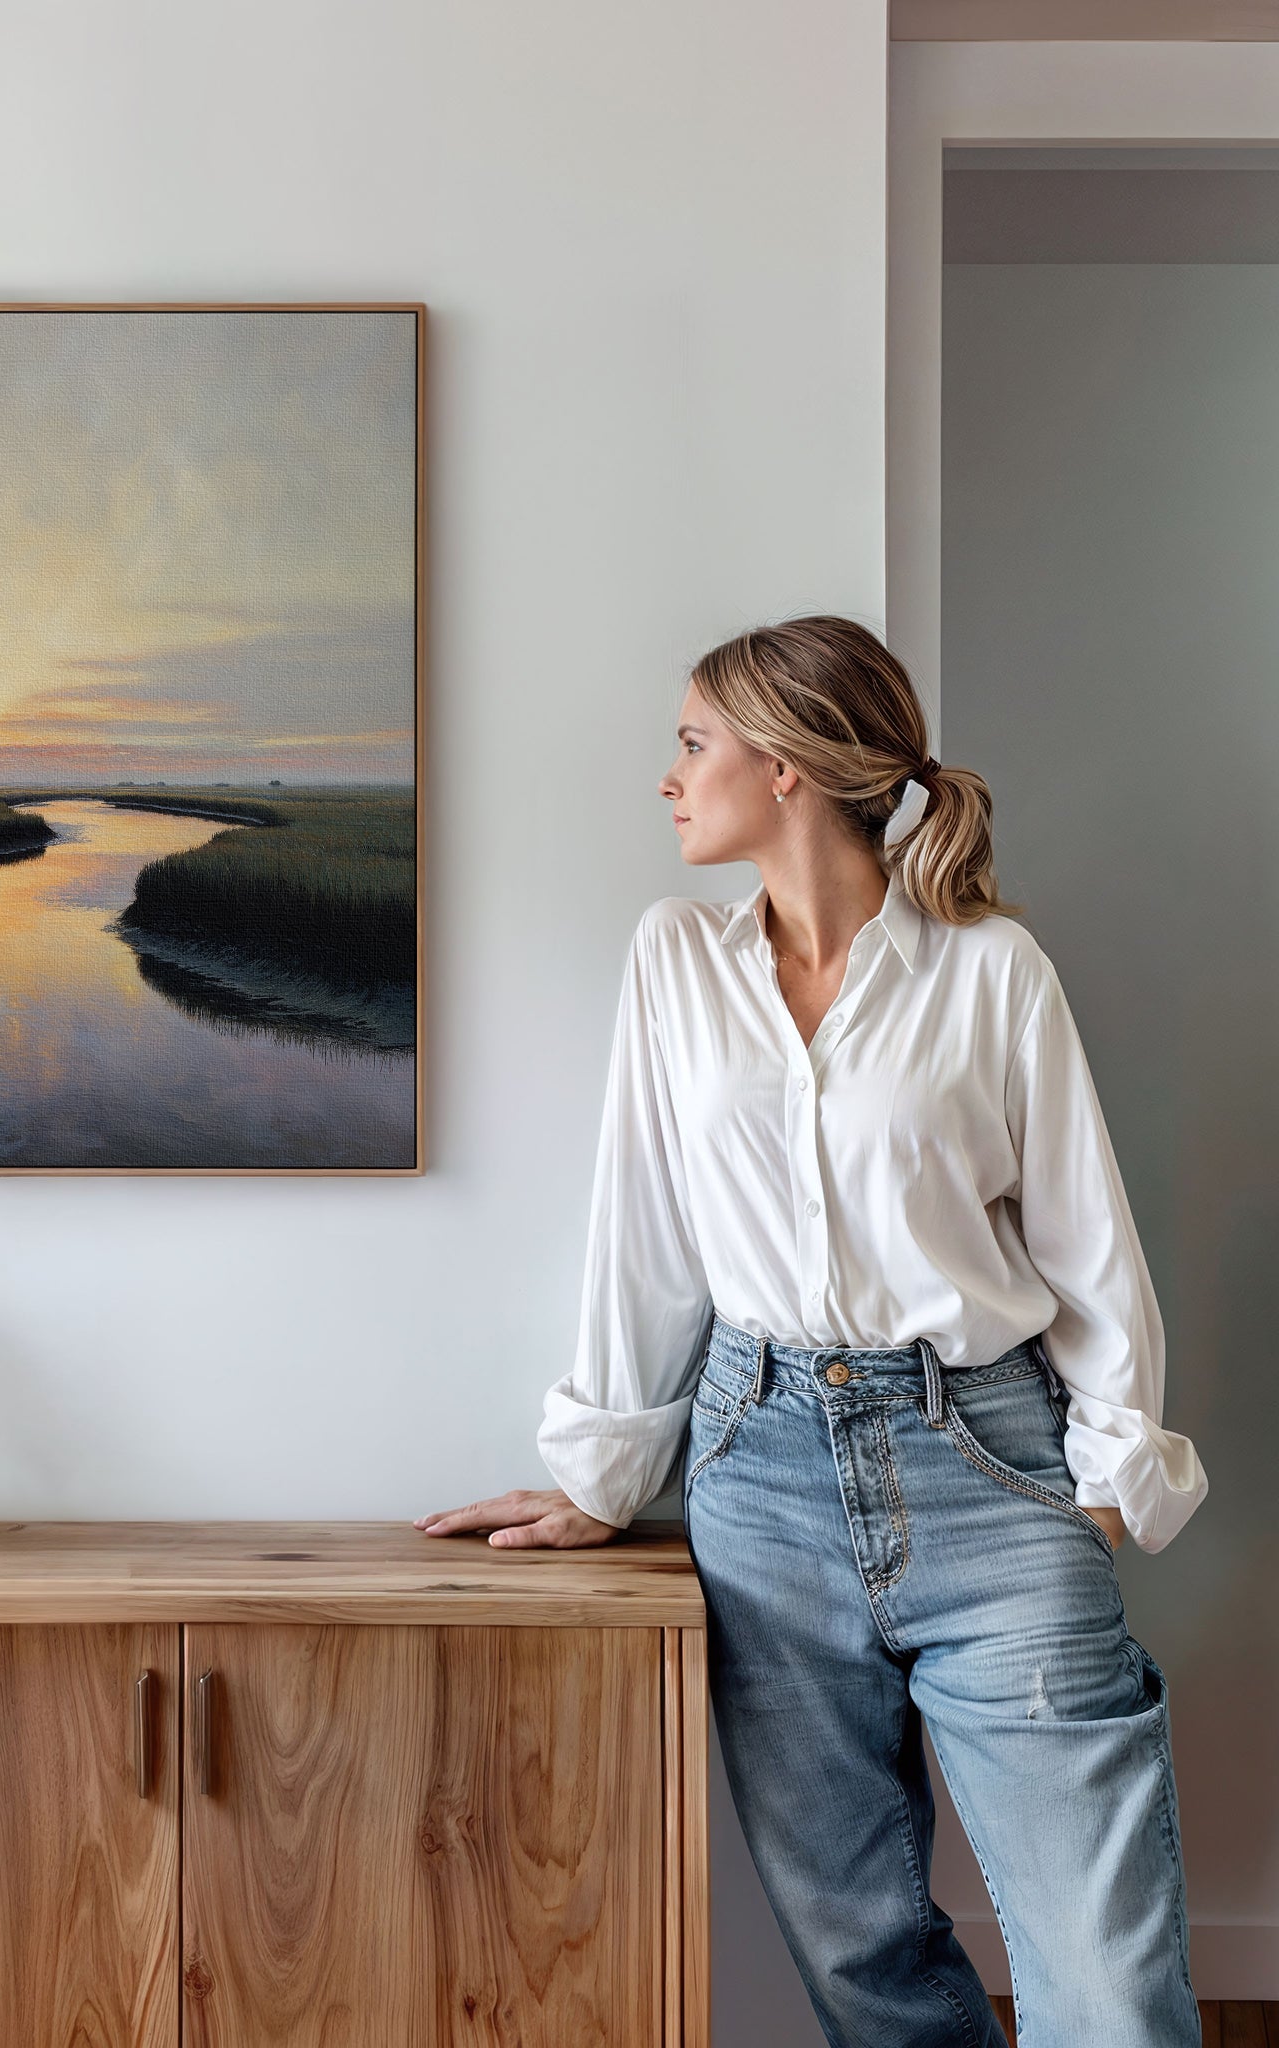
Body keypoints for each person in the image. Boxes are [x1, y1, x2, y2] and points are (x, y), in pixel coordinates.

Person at [416, 616, 1208, 2047]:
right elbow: (642, 1233)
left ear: (785, 768)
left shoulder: (991, 972)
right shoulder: (675, 963)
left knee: (1106, 1978)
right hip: (758, 1472)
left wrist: (1104, 1479)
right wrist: (606, 1473)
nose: (669, 777)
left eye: (692, 742)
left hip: (989, 1460)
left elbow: (1090, 1244)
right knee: (863, 1961)